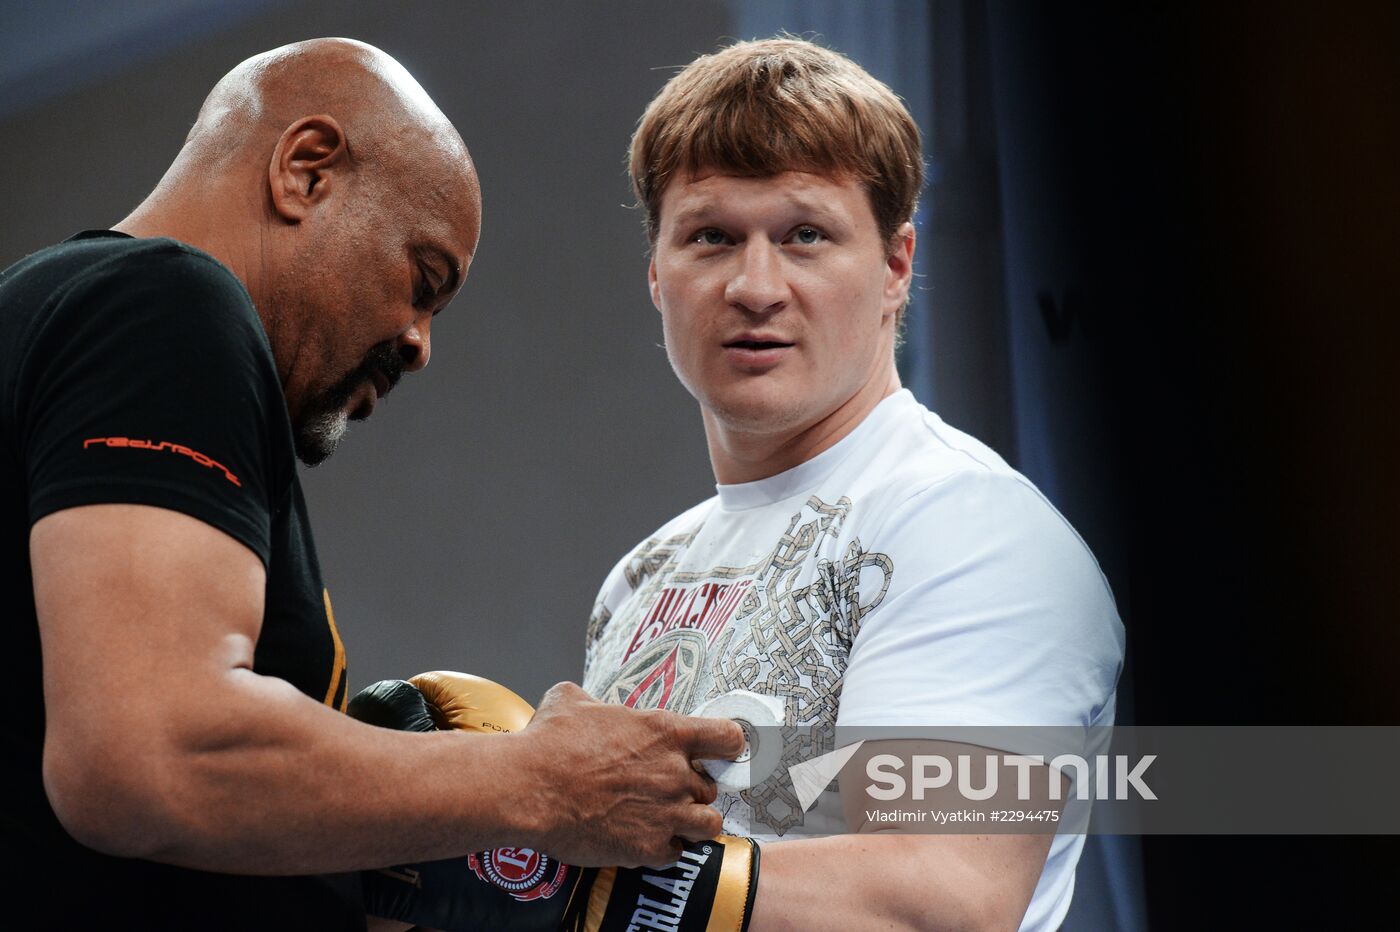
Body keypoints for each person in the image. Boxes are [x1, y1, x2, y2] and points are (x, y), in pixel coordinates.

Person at [0, 38, 741, 930]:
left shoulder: (58, 314)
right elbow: (145, 762)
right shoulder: (163, 303)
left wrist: (389, 834)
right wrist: (540, 781)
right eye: (424, 281)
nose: (421, 342)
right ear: (306, 171)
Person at [579, 38, 1126, 930]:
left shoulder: (969, 528)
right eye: (712, 237)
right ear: (655, 274)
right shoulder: (643, 577)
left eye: (805, 235)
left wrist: (566, 877)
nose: (756, 287)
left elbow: (934, 903)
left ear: (895, 267)